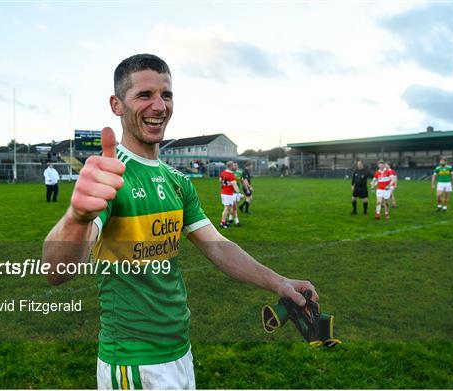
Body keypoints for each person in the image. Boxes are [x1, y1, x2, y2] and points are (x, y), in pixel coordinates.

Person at [42, 54, 318, 390]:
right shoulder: (112, 178)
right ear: (117, 105)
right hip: (134, 363)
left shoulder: (178, 181)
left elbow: (218, 246)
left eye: (166, 95)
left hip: (179, 351)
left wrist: (279, 282)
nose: (159, 106)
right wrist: (77, 216)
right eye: (144, 95)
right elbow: (56, 272)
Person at [219, 161, 240, 228]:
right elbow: (235, 185)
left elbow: (220, 181)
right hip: (228, 194)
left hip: (224, 192)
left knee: (228, 208)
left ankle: (225, 221)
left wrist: (223, 186)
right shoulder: (231, 175)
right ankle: (222, 223)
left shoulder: (222, 173)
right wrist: (238, 192)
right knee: (226, 208)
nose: (234, 167)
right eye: (233, 165)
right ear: (230, 166)